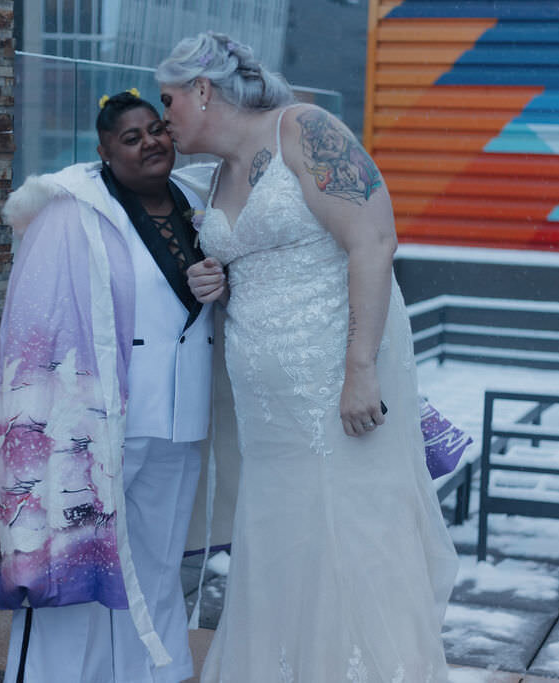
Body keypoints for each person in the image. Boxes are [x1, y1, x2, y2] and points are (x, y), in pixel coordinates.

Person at [157, 32, 460, 682]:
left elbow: (374, 239)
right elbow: (268, 267)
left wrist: (360, 368)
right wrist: (219, 281)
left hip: (336, 397)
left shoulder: (304, 129)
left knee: (355, 549)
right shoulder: (213, 177)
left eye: (169, 100)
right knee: (281, 558)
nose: (164, 118)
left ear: (204, 90)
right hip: (270, 425)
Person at [0, 90, 216, 682]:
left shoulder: (197, 200)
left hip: (180, 423)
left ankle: (153, 675)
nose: (150, 142)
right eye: (131, 137)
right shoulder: (74, 211)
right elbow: (38, 327)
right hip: (98, 431)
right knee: (77, 565)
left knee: (154, 564)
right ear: (104, 152)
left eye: (156, 129)